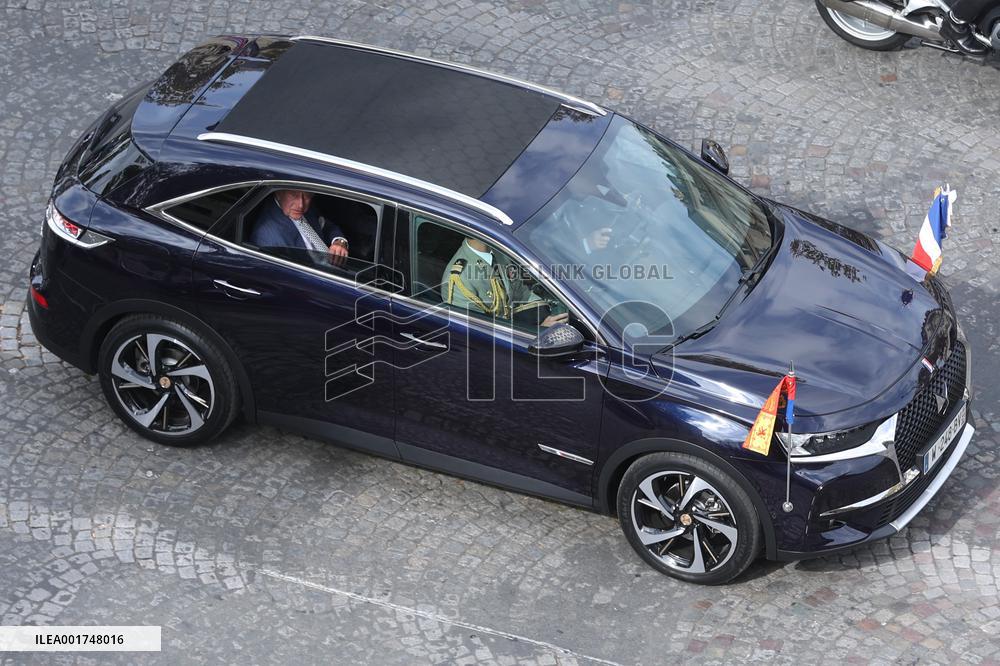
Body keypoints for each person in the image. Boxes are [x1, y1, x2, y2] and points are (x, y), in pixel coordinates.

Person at [441, 237, 568, 329]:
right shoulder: (459, 280)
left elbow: (521, 292)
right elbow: (478, 332)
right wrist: (536, 332)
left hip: (514, 325)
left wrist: (546, 315)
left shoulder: (498, 250)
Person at [249, 190, 349, 263]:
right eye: (293, 195)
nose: (301, 204)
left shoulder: (303, 209)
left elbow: (326, 226)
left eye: (307, 196)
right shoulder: (268, 239)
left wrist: (339, 241)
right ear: (279, 193)